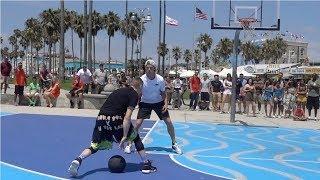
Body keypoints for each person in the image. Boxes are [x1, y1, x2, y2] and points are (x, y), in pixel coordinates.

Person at [68, 77, 156, 177]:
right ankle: (146, 164)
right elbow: (127, 117)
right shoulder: (134, 94)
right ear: (140, 86)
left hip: (101, 118)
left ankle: (78, 159)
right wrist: (125, 136)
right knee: (135, 138)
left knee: (94, 146)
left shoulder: (118, 90)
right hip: (116, 118)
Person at [125, 60, 182, 155]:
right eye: (147, 68)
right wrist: (135, 103)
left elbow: (163, 93)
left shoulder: (160, 80)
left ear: (155, 69)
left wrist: (166, 104)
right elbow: (138, 93)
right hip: (145, 103)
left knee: (169, 122)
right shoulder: (142, 79)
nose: (148, 70)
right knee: (137, 124)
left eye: (151, 68)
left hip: (158, 103)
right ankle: (129, 144)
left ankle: (174, 143)